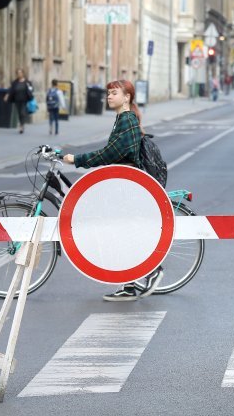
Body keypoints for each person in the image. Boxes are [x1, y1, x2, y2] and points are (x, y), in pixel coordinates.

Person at [62, 79, 163, 302]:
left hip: (128, 188)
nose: (109, 96)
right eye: (108, 93)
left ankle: (146, 274)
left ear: (127, 97)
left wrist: (76, 159)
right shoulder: (123, 119)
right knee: (119, 231)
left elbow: (110, 153)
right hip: (123, 185)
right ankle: (131, 281)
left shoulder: (127, 120)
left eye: (114, 93)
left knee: (119, 231)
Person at [4, 68, 33, 134]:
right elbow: (11, 89)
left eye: (20, 73)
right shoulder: (15, 82)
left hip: (24, 100)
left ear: (23, 74)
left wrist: (30, 94)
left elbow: (31, 89)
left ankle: (21, 126)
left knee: (23, 112)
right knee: (19, 113)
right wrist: (7, 95)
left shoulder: (27, 82)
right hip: (17, 100)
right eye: (18, 73)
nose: (19, 74)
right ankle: (21, 124)